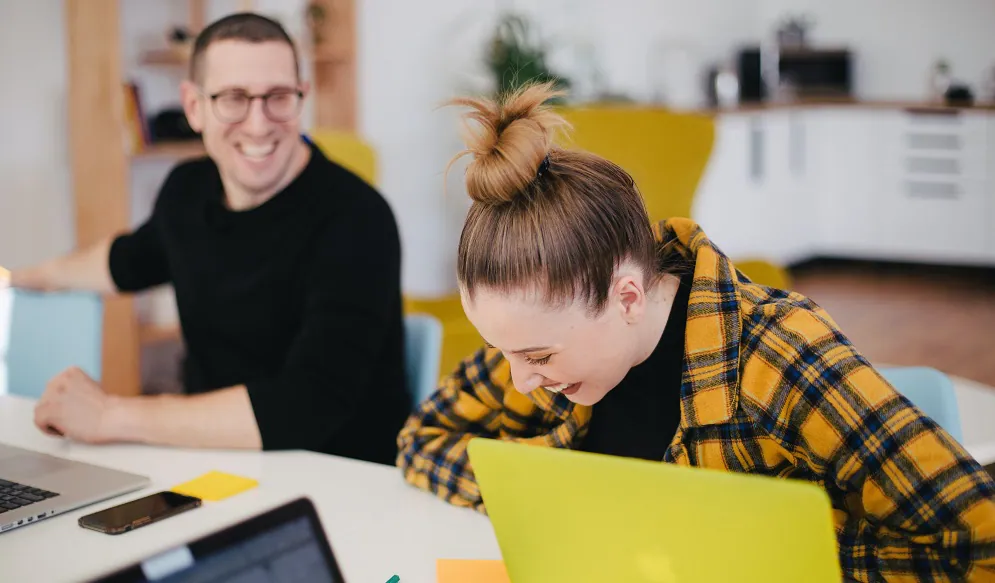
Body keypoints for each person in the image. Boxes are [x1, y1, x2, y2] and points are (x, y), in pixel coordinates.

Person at [396, 82, 995, 581]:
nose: (521, 381)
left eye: (537, 356)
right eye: (506, 353)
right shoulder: (543, 343)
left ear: (626, 295)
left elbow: (975, 542)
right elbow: (422, 439)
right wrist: (560, 496)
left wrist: (763, 550)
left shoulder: (779, 354)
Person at [5, 13, 410, 465]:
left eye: (278, 97)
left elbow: (306, 405)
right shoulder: (186, 191)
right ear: (194, 107)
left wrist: (110, 415)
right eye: (233, 99)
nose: (258, 125)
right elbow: (128, 260)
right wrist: (21, 276)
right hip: (212, 462)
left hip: (341, 480)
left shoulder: (359, 218)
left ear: (302, 98)